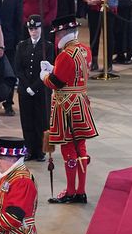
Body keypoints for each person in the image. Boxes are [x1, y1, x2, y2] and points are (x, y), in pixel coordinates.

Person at [41, 16, 98, 204]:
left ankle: (71, 191)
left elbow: (56, 82)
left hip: (67, 106)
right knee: (81, 148)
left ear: (62, 34)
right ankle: (81, 190)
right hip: (81, 102)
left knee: (68, 149)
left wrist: (45, 76)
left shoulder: (65, 55)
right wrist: (54, 68)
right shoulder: (85, 50)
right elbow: (73, 73)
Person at [16, 16, 52, 161]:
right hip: (25, 90)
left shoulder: (47, 46)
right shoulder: (22, 45)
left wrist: (35, 87)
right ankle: (29, 149)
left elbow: (48, 70)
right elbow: (18, 68)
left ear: (41, 29)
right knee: (27, 120)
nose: (33, 31)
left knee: (41, 121)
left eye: (36, 28)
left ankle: (41, 150)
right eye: (31, 29)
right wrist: (26, 87)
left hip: (41, 90)